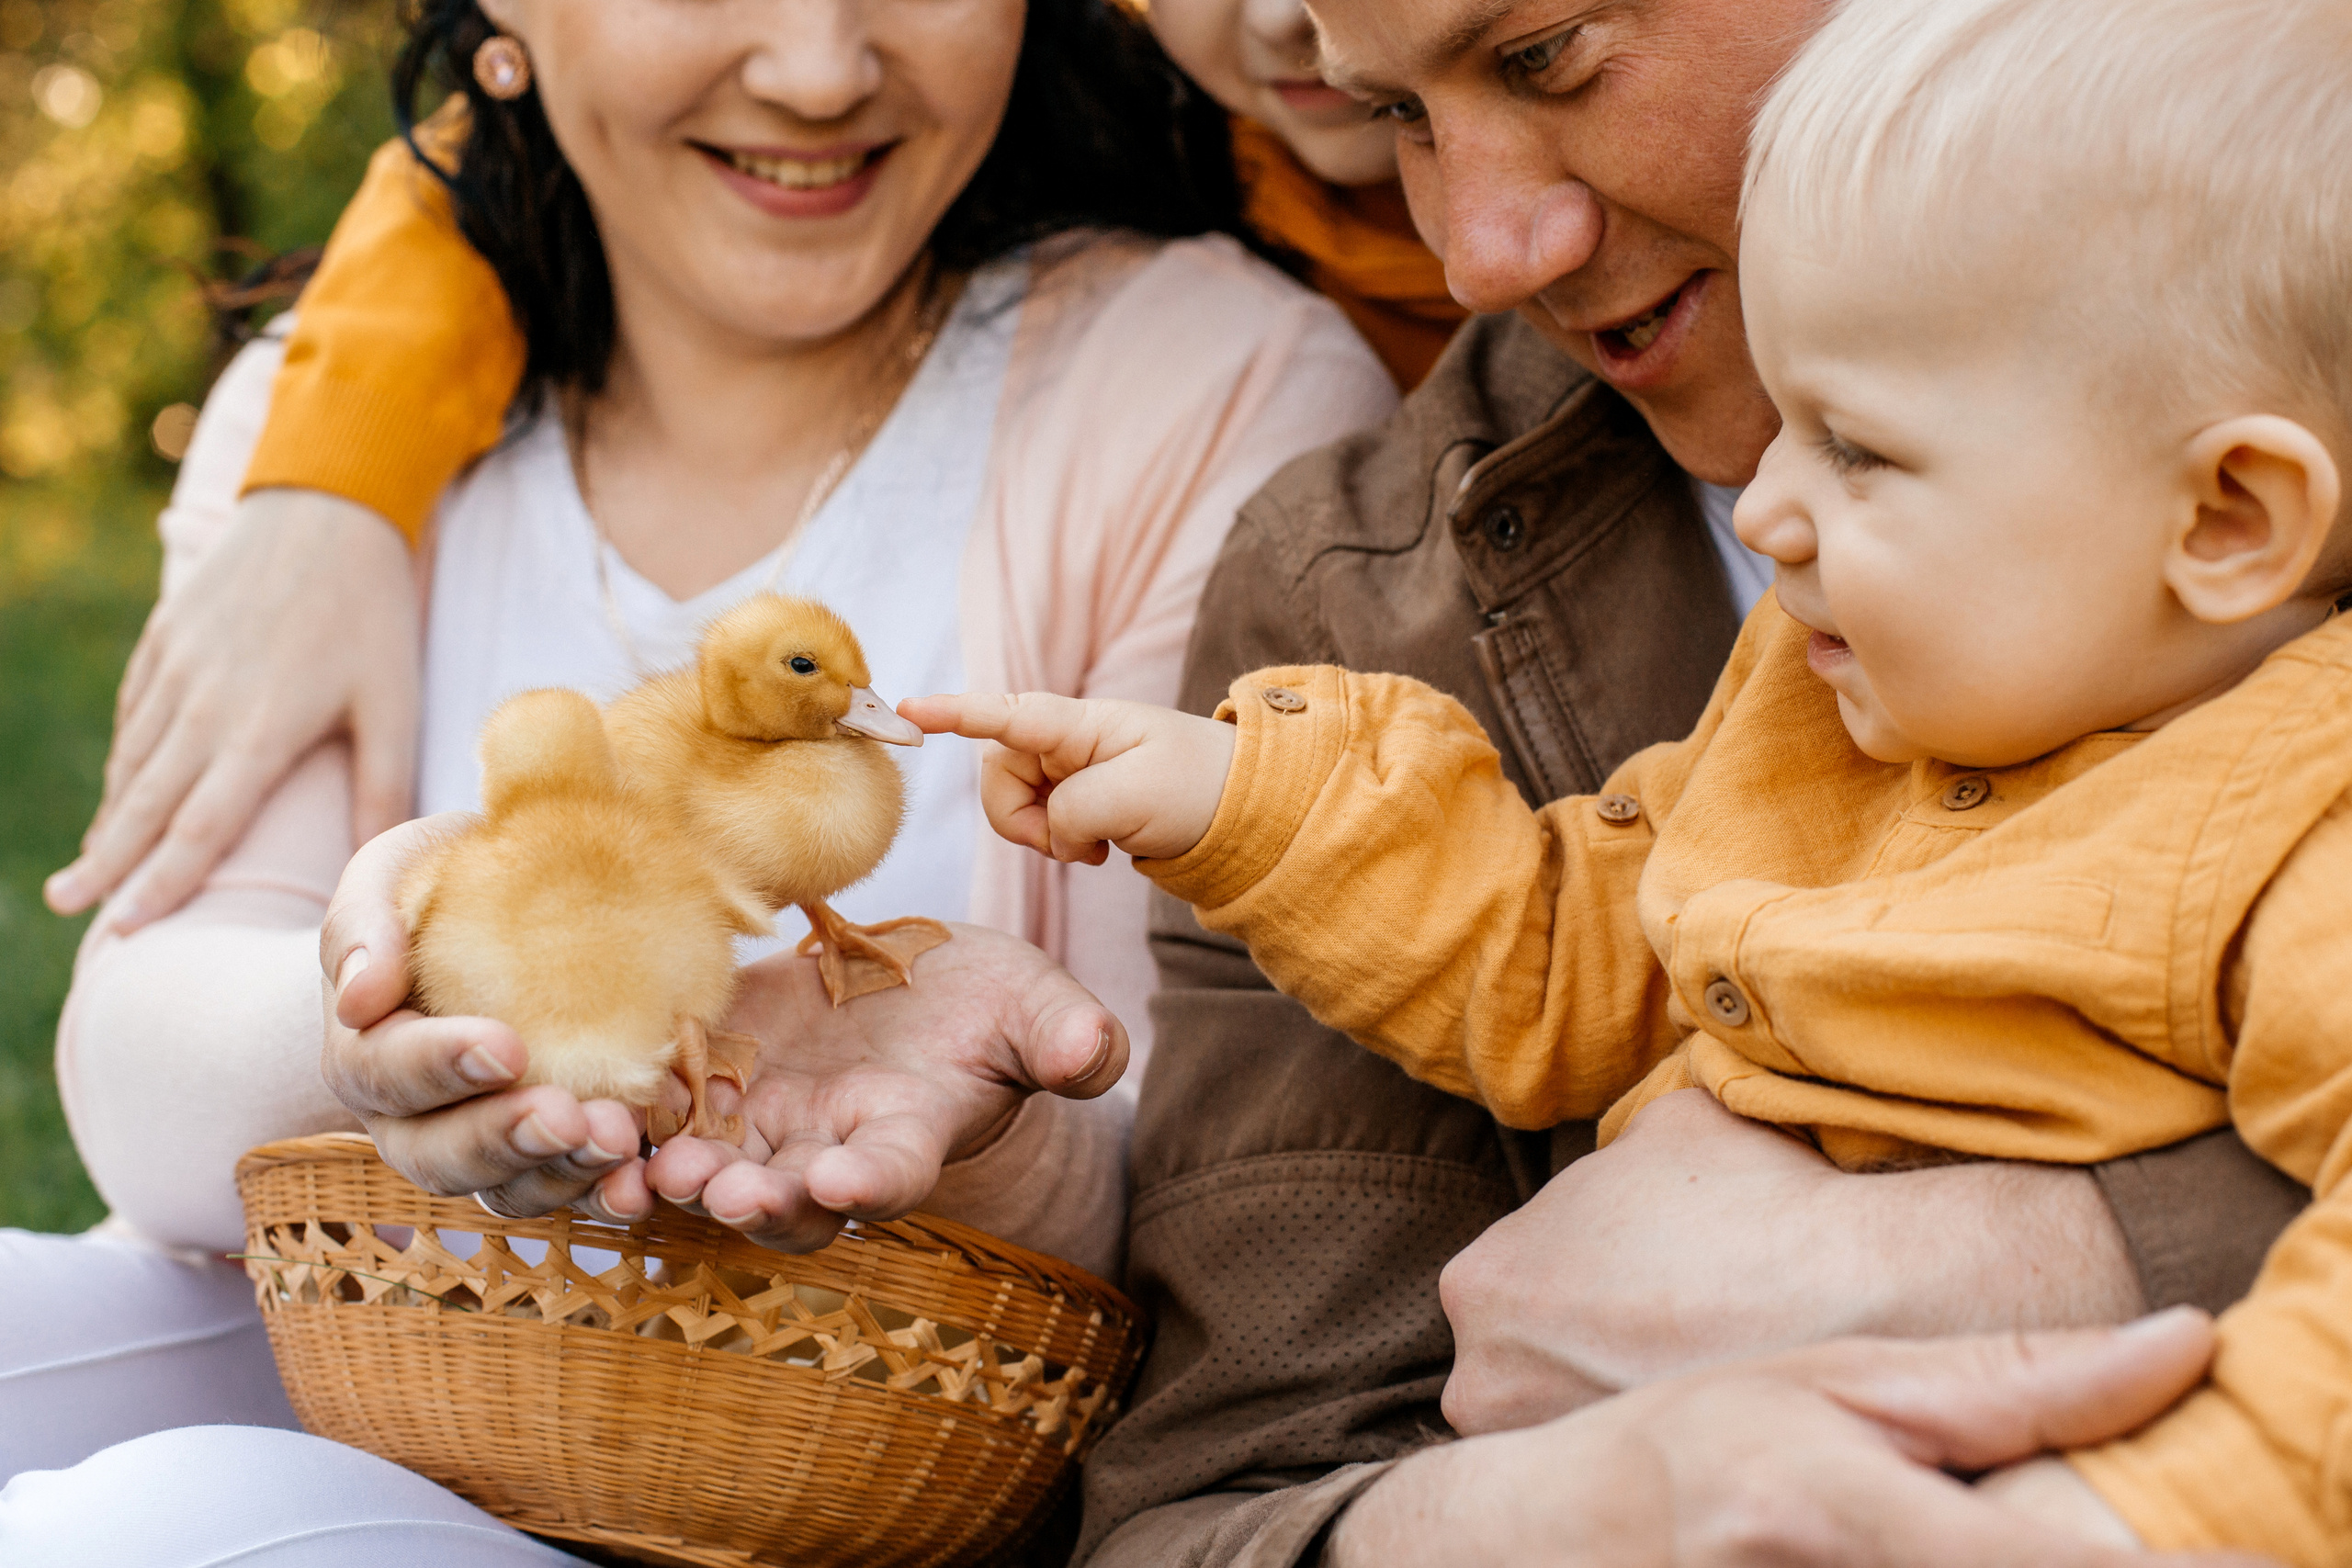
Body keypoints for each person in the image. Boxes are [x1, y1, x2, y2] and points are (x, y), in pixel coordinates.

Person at [920, 0, 2352, 1556]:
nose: (1479, 256)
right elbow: (1565, 935)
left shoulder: (2292, 812)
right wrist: (1261, 807)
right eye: (1397, 115)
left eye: (1547, 53)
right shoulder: (1816, 710)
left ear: (2231, 518)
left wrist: (2099, 1466)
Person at [2, 0, 1394, 1484]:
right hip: (349, 1341)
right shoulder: (327, 434)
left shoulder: (1212, 391)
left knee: (153, 1524)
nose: (818, 70)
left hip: (827, 1454)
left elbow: (1211, 1191)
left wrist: (985, 1135)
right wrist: (423, 998)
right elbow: (144, 1104)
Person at [40, 0, 1456, 948]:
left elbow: (1181, 1096)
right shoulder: (362, 374)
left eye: (1539, 61)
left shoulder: (1216, 367)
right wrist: (330, 474)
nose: (817, 71)